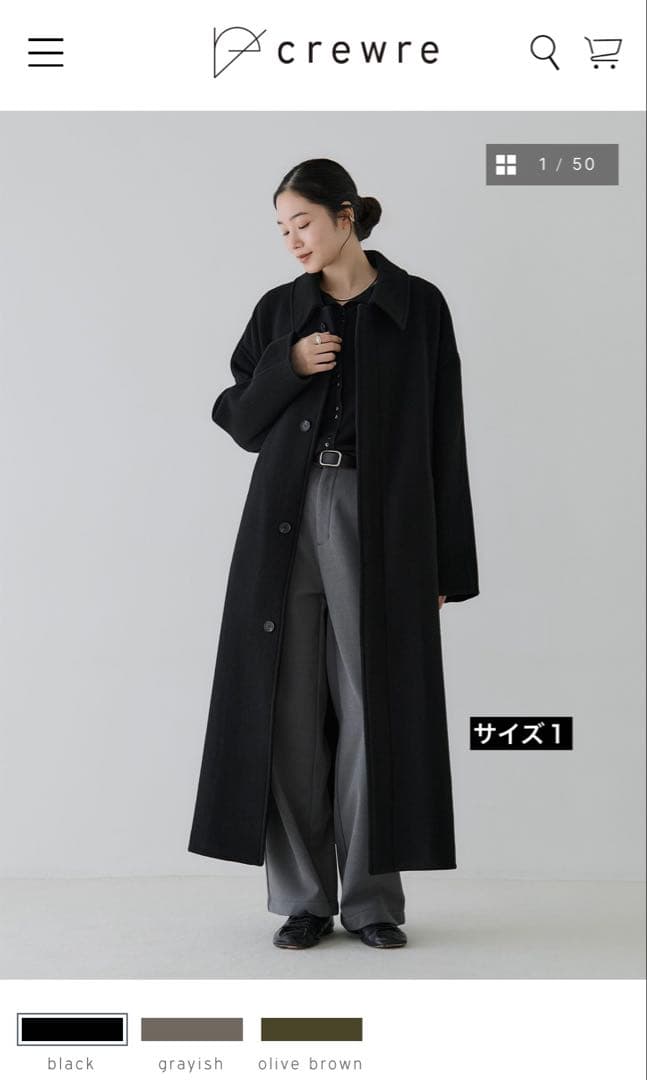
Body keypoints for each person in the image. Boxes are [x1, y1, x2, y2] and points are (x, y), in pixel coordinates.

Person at [188, 158, 479, 952]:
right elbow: (238, 419)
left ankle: (372, 901)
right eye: (282, 229)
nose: (292, 240)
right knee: (284, 711)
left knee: (372, 706)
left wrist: (448, 565)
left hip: (380, 521)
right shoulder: (280, 310)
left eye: (303, 223)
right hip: (284, 515)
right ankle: (304, 899)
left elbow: (443, 433)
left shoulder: (416, 305)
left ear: (345, 216)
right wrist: (287, 366)